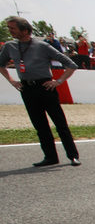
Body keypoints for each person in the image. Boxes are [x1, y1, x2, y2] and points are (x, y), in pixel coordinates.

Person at [0, 16, 81, 167]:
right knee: (40, 125)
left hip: (45, 87)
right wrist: (11, 80)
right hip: (26, 88)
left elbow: (71, 64)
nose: (10, 31)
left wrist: (58, 81)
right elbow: (1, 65)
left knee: (60, 123)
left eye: (13, 28)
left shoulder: (42, 46)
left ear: (24, 30)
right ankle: (50, 157)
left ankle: (73, 155)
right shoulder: (9, 46)